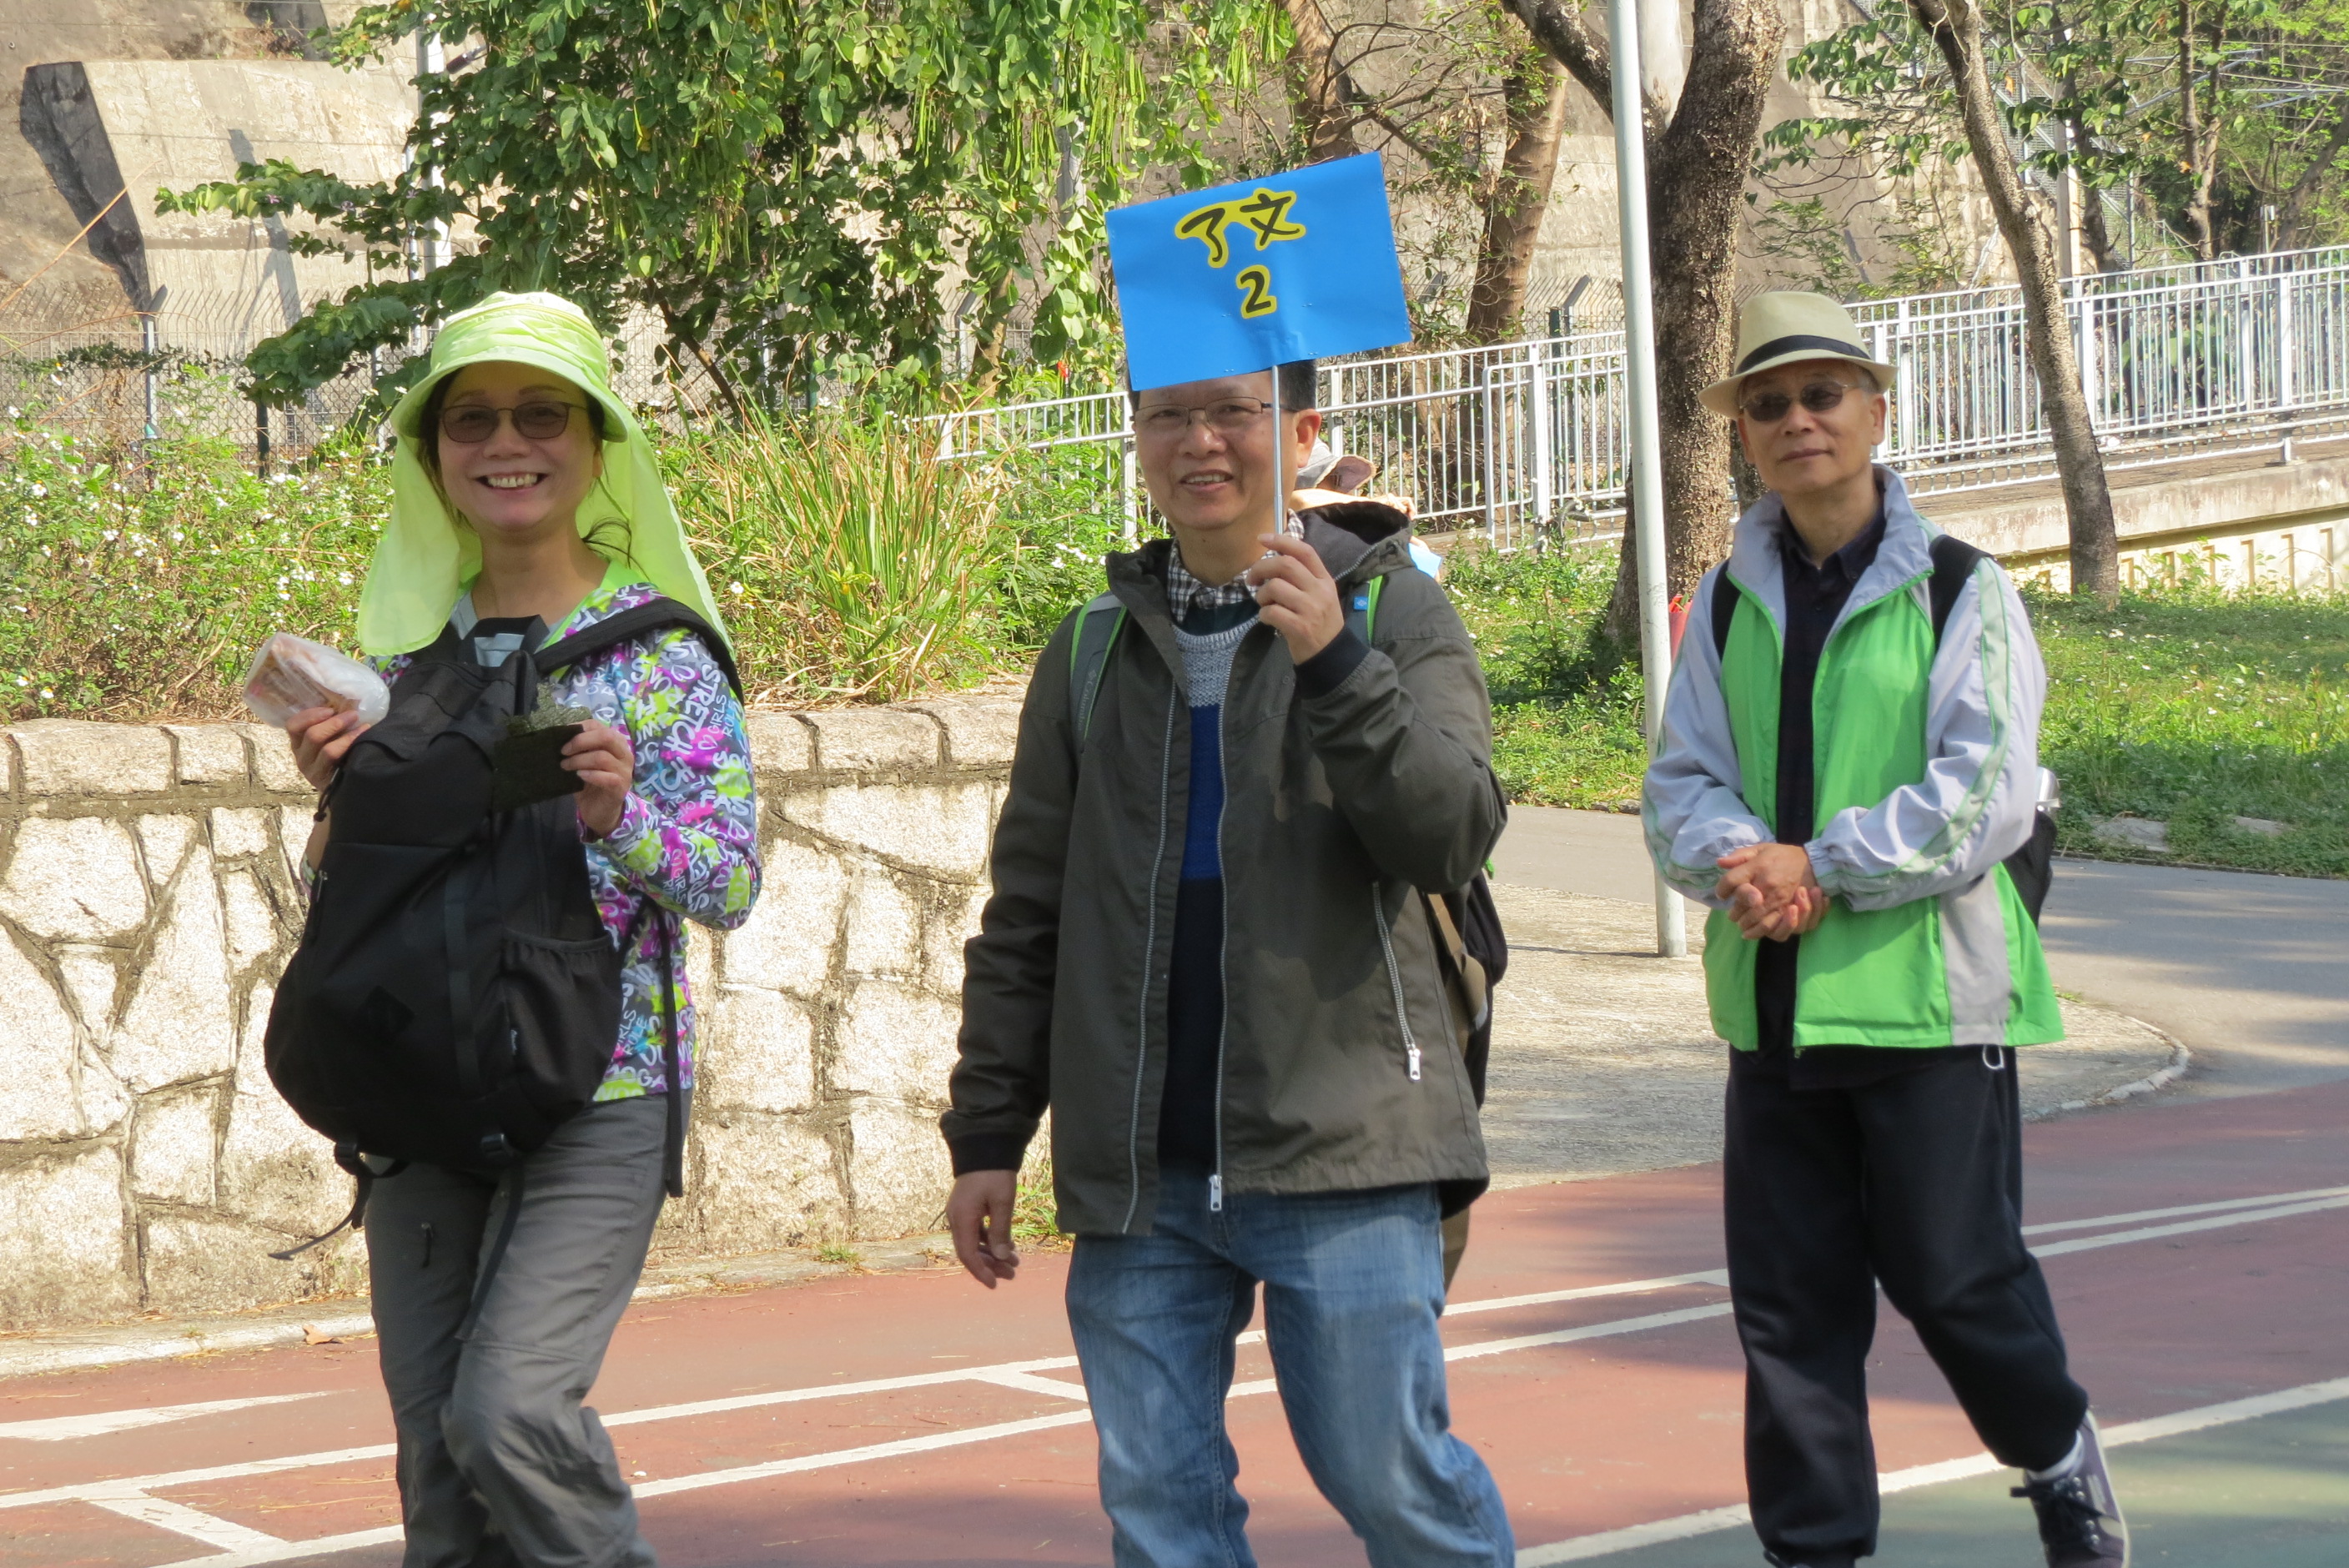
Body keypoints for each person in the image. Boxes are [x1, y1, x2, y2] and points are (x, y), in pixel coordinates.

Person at [941, 361, 1514, 1568]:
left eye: (1230, 413)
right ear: (1139, 439)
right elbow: (1029, 911)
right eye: (1168, 416)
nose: (1199, 441)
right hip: (1141, 1176)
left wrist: (1337, 667)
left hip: (1344, 1147)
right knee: (1162, 1515)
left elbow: (1451, 832)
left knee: (1392, 1483)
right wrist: (989, 1131)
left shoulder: (1392, 611)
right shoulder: (1091, 647)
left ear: (1300, 435)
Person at [1642, 293, 2125, 1568]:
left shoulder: (1963, 588)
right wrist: (1746, 869)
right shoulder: (1727, 603)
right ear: (1744, 435)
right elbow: (1681, 783)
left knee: (1955, 1278)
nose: (1797, 420)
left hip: (1927, 1005)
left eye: (1822, 395)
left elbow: (1985, 795)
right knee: (1789, 1313)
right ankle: (1814, 1551)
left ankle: (2056, 1451)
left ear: (1875, 409)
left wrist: (1823, 865)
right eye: (1768, 404)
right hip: (1777, 1006)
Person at [284, 291, 760, 1568]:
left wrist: (618, 814)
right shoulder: (403, 664)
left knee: (510, 1415)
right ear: (433, 456)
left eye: (544, 414)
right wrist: (335, 806)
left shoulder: (663, 659)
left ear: (599, 445)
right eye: (473, 420)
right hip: (421, 1086)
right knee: (441, 1479)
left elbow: (728, 881)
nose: (508, 443)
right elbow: (351, 894)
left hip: (601, 1085)